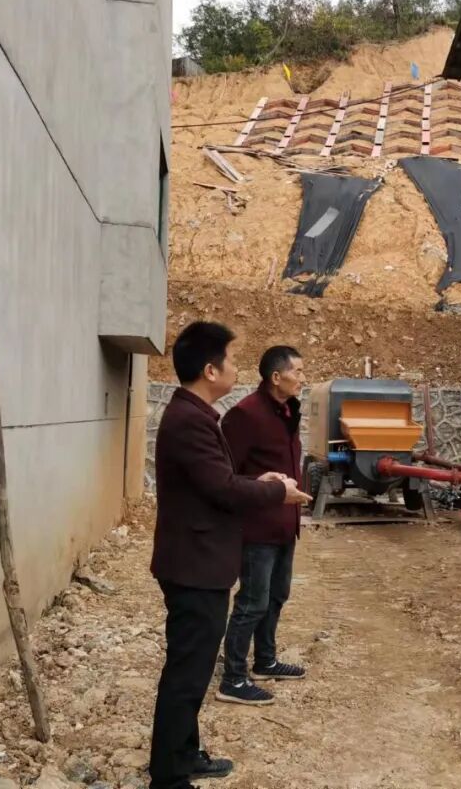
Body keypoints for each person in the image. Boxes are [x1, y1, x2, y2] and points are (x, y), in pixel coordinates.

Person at [148, 322, 310, 788]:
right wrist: (276, 492)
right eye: (233, 360)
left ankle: (185, 754)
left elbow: (218, 481)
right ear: (210, 369)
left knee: (194, 670)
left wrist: (260, 482)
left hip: (200, 561)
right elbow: (221, 488)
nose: (239, 369)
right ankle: (169, 776)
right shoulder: (189, 420)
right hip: (193, 565)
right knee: (186, 673)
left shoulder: (197, 414)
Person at [216, 346, 308, 705]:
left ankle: (265, 661)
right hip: (257, 527)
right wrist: (263, 485)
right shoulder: (245, 415)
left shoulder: (288, 410)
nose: (302, 378)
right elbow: (226, 476)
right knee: (252, 602)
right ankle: (233, 679)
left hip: (285, 523)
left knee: (276, 596)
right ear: (276, 377)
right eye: (297, 372)